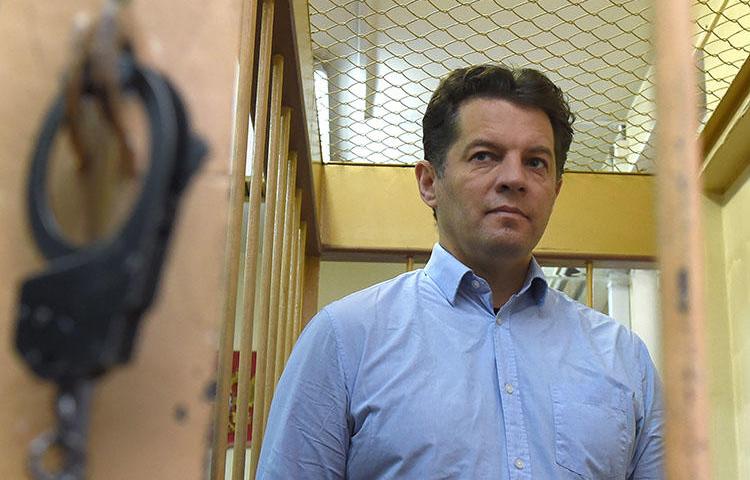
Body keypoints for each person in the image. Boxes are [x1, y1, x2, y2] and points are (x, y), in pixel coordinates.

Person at [256, 64, 663, 479]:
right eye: (485, 156)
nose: (514, 178)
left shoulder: (622, 357)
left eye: (536, 162)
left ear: (556, 190)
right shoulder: (346, 340)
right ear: (430, 182)